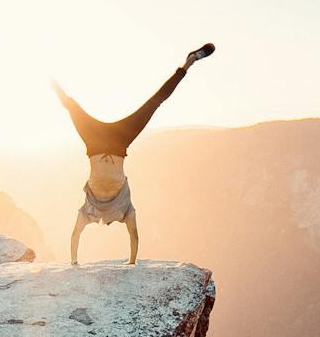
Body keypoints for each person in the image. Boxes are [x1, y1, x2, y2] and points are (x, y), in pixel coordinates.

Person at [55, 43, 215, 265]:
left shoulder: (88, 211)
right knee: (154, 102)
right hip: (119, 140)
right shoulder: (125, 210)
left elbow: (75, 236)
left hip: (95, 141)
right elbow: (134, 237)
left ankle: (46, 77)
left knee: (70, 105)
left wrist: (74, 263)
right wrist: (131, 263)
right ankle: (188, 63)